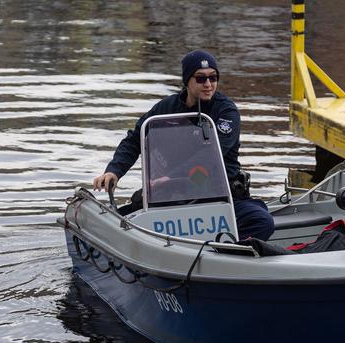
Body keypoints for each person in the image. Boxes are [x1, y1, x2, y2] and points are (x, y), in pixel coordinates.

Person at [93, 49, 275, 241]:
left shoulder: (226, 112)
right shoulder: (167, 108)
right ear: (187, 81)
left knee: (262, 222)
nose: (208, 84)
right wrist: (114, 171)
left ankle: (224, 254)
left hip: (219, 195)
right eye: (200, 78)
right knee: (113, 225)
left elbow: (211, 156)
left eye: (213, 78)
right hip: (174, 194)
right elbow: (134, 140)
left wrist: (170, 177)